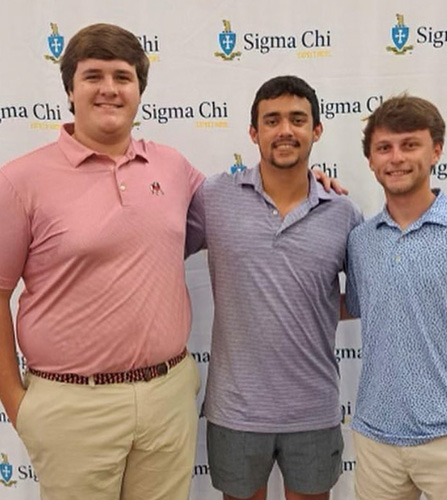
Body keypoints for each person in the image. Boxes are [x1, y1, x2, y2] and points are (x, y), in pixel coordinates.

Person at [0, 23, 204, 500]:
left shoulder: (172, 166)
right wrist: (14, 399)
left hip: (167, 396)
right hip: (73, 408)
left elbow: (242, 206)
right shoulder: (20, 180)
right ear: (70, 90)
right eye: (93, 76)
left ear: (139, 92)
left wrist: (309, 183)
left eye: (122, 77)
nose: (109, 89)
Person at [186, 75, 362, 500]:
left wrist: (298, 304)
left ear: (316, 130)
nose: (285, 130)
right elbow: (156, 252)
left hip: (314, 408)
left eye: (298, 119)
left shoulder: (342, 212)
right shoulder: (213, 197)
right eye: (272, 120)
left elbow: (358, 299)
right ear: (254, 132)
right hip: (235, 410)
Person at [345, 95, 447, 500]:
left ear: (436, 151)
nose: (396, 158)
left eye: (409, 144)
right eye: (384, 148)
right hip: (376, 438)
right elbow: (355, 309)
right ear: (371, 160)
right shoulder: (360, 241)